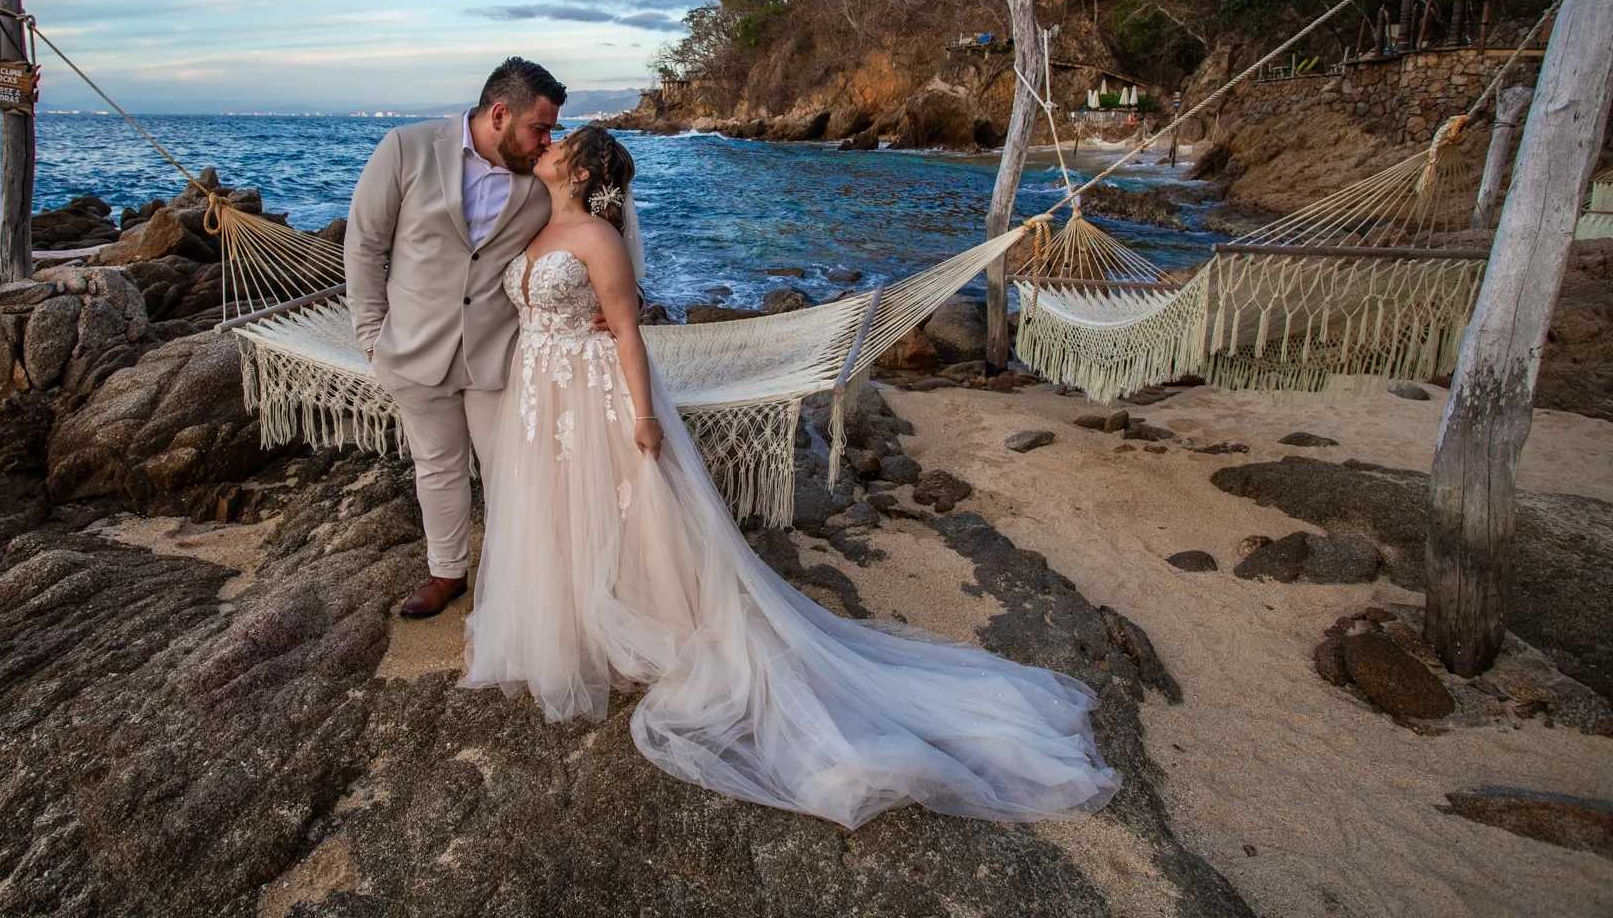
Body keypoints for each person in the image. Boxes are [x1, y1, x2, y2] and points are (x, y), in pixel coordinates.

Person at [461, 123, 1122, 828]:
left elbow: (626, 328)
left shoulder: (597, 239)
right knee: (557, 508)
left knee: (622, 507)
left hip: (595, 392)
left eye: (561, 147)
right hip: (541, 391)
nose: (548, 149)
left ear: (585, 175)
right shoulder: (532, 221)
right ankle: (568, 621)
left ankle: (638, 619)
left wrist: (645, 415)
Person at [345, 57, 567, 618]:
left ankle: (513, 578)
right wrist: (372, 337)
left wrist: (613, 301)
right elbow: (365, 245)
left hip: (498, 352)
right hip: (411, 349)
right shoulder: (405, 147)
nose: (547, 141)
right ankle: (447, 574)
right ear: (499, 114)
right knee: (437, 467)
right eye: (539, 128)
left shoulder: (542, 179)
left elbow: (596, 229)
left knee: (509, 470)